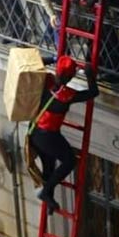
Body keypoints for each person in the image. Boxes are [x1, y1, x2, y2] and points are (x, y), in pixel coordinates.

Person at [28, 56, 99, 213]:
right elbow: (94, 92)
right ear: (71, 76)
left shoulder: (47, 82)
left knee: (49, 166)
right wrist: (89, 74)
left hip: (34, 132)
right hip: (48, 136)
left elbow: (33, 62)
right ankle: (46, 192)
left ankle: (49, 203)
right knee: (70, 161)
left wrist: (53, 58)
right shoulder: (66, 95)